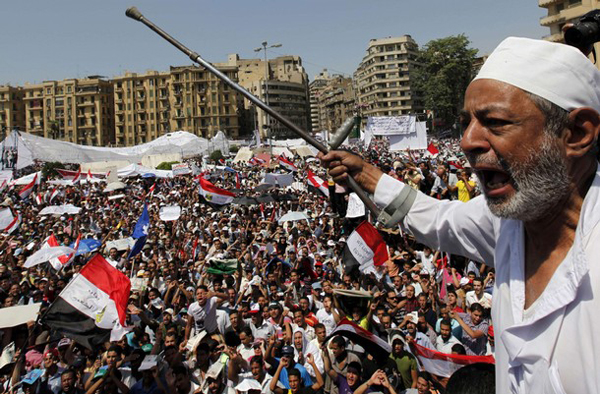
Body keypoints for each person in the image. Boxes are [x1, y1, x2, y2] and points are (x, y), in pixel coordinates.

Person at [320, 36, 600, 393]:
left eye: (495, 122)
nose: (468, 141)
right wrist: (368, 176)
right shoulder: (506, 222)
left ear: (576, 134)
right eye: (466, 122)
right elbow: (438, 220)